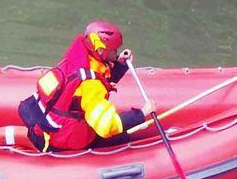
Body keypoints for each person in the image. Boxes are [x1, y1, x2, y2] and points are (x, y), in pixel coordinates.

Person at [18, 21, 155, 152]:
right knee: (120, 137)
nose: (116, 52)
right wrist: (141, 114)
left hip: (49, 126)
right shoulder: (91, 85)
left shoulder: (77, 58)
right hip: (64, 139)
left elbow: (100, 77)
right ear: (101, 50)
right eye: (114, 50)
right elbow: (106, 125)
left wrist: (119, 64)